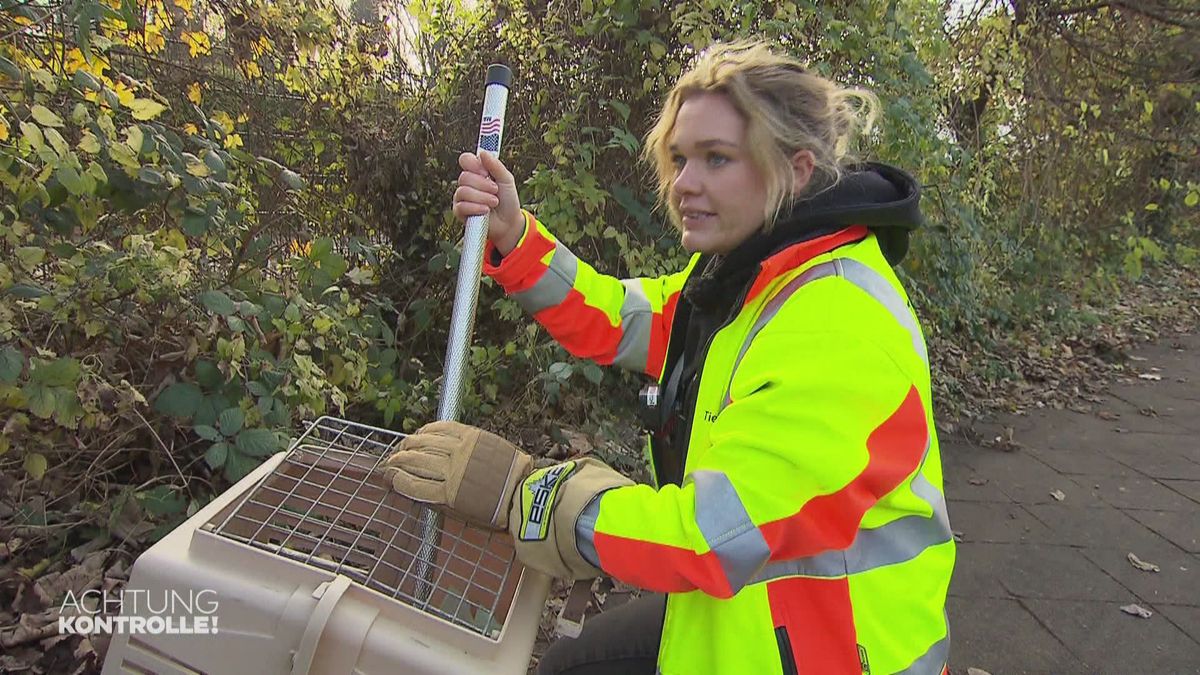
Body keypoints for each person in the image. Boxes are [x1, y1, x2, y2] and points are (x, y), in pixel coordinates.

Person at [382, 40, 955, 675]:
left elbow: (708, 537)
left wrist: (524, 494)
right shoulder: (748, 279)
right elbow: (623, 319)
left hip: (832, 648)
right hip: (748, 610)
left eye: (717, 159)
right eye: (679, 158)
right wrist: (517, 238)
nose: (684, 184)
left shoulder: (836, 325)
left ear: (794, 171)